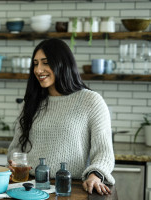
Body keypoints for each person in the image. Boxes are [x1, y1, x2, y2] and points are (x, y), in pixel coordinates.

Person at [7, 38, 115, 195]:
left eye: (46, 62)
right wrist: (13, 162)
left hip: (71, 188)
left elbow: (104, 152)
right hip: (30, 187)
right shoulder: (31, 102)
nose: (38, 70)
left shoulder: (91, 101)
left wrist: (95, 175)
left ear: (63, 64)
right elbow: (16, 147)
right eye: (36, 64)